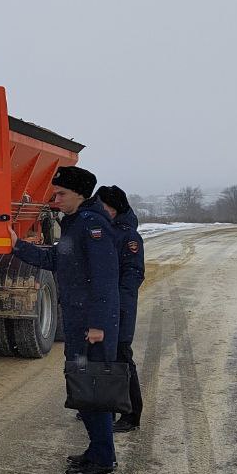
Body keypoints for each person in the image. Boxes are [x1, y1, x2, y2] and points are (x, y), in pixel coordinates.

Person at [10, 165, 122, 474]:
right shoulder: (76, 224)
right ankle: (97, 451)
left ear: (79, 194)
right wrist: (16, 245)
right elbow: (54, 260)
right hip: (79, 321)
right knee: (83, 388)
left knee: (93, 390)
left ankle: (103, 461)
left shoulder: (93, 227)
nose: (55, 199)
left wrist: (98, 325)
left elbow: (104, 279)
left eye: (61, 193)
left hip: (92, 326)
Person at [97, 185, 145, 431]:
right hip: (104, 307)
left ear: (113, 208)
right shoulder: (106, 231)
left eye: (102, 205)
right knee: (103, 358)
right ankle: (103, 407)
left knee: (121, 357)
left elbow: (133, 277)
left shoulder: (129, 237)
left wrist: (117, 308)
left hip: (120, 309)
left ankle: (131, 414)